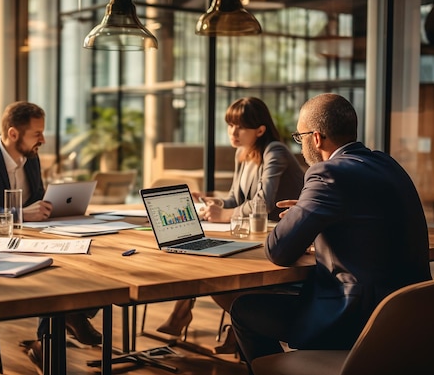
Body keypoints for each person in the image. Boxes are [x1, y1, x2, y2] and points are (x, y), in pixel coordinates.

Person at [229, 93, 432, 373]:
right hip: (407, 320)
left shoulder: (326, 173)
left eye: (299, 137)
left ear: (316, 138)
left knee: (243, 309)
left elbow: (278, 251)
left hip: (355, 321)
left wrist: (300, 218)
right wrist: (309, 212)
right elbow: (364, 222)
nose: (299, 147)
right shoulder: (388, 165)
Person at [0, 101, 101, 368]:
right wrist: (20, 214)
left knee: (89, 259)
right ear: (13, 134)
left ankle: (56, 331)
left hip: (32, 238)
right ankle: (66, 319)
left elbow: (38, 200)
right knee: (55, 270)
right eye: (37, 133)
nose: (43, 140)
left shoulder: (31, 158)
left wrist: (55, 206)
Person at [157, 97, 305, 353]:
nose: (232, 132)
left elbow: (264, 202)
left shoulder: (275, 151)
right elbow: (235, 199)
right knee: (198, 255)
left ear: (260, 130)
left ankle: (226, 326)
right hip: (249, 233)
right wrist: (208, 201)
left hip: (273, 237)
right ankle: (222, 326)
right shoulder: (243, 154)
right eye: (229, 125)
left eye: (240, 127)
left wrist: (224, 215)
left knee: (214, 275)